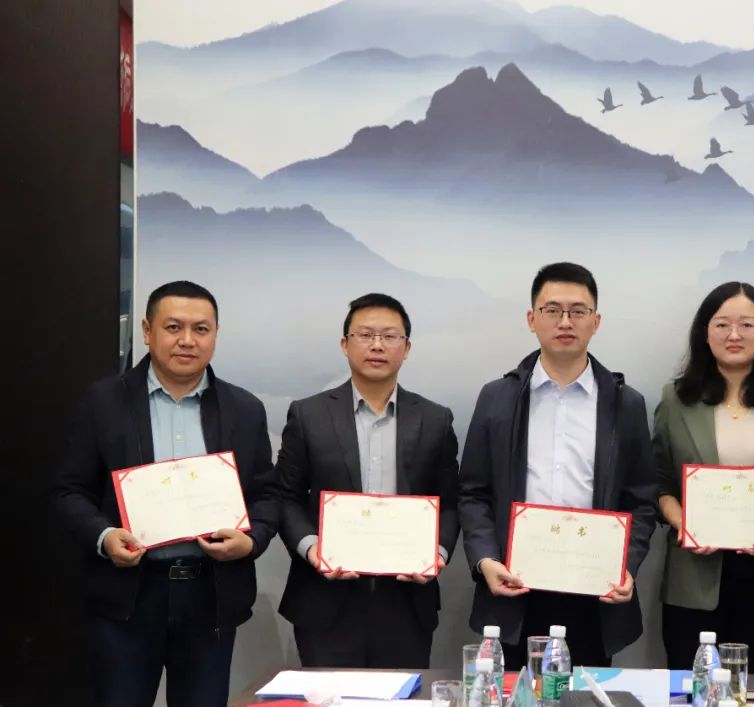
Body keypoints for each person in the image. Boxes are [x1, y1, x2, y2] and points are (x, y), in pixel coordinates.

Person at [53, 280, 279, 707]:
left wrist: (251, 541)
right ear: (147, 331)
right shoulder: (103, 402)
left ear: (215, 334)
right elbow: (70, 491)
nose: (187, 340)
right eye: (174, 327)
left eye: (201, 329)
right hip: (127, 596)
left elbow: (267, 495)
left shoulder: (244, 409)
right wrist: (105, 536)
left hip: (209, 598)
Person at [458, 262, 657, 669]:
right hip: (513, 588)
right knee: (513, 693)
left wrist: (626, 565)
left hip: (594, 591)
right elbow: (473, 492)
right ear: (532, 319)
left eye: (578, 311)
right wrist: (485, 560)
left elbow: (641, 501)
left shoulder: (625, 404)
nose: (565, 321)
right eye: (552, 310)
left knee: (584, 693)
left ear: (596, 322)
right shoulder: (497, 398)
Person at [276, 293, 459, 668]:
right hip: (325, 600)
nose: (377, 345)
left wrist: (437, 554)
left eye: (389, 336)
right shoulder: (308, 415)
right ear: (345, 344)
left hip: (406, 602)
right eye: (365, 335)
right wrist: (313, 549)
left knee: (402, 694)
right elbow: (285, 497)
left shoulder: (435, 420)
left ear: (406, 348)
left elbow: (452, 503)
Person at [653, 282, 754, 674]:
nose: (734, 335)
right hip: (695, 576)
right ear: (704, 332)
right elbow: (660, 483)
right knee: (693, 689)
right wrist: (686, 524)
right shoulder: (676, 399)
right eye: (722, 324)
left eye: (746, 324)